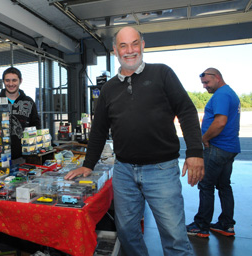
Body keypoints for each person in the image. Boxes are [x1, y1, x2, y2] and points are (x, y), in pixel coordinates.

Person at [64, 26, 205, 256]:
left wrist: (195, 152)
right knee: (127, 231)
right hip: (124, 171)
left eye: (134, 44)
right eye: (123, 45)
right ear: (115, 50)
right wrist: (88, 164)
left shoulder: (162, 74)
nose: (129, 50)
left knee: (174, 236)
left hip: (162, 170)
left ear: (142, 45)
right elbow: (99, 130)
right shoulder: (108, 89)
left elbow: (187, 111)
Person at [186, 68, 240, 238]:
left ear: (217, 78)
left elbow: (220, 122)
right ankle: (226, 225)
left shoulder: (222, 95)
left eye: (206, 82)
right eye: (203, 83)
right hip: (229, 148)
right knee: (224, 186)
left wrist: (205, 138)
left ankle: (201, 226)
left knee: (206, 186)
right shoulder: (229, 93)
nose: (204, 86)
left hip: (217, 148)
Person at [0, 67, 41, 161]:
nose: (11, 84)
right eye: (7, 80)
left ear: (20, 81)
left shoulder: (29, 101)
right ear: (3, 81)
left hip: (24, 156)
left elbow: (36, 126)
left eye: (14, 80)